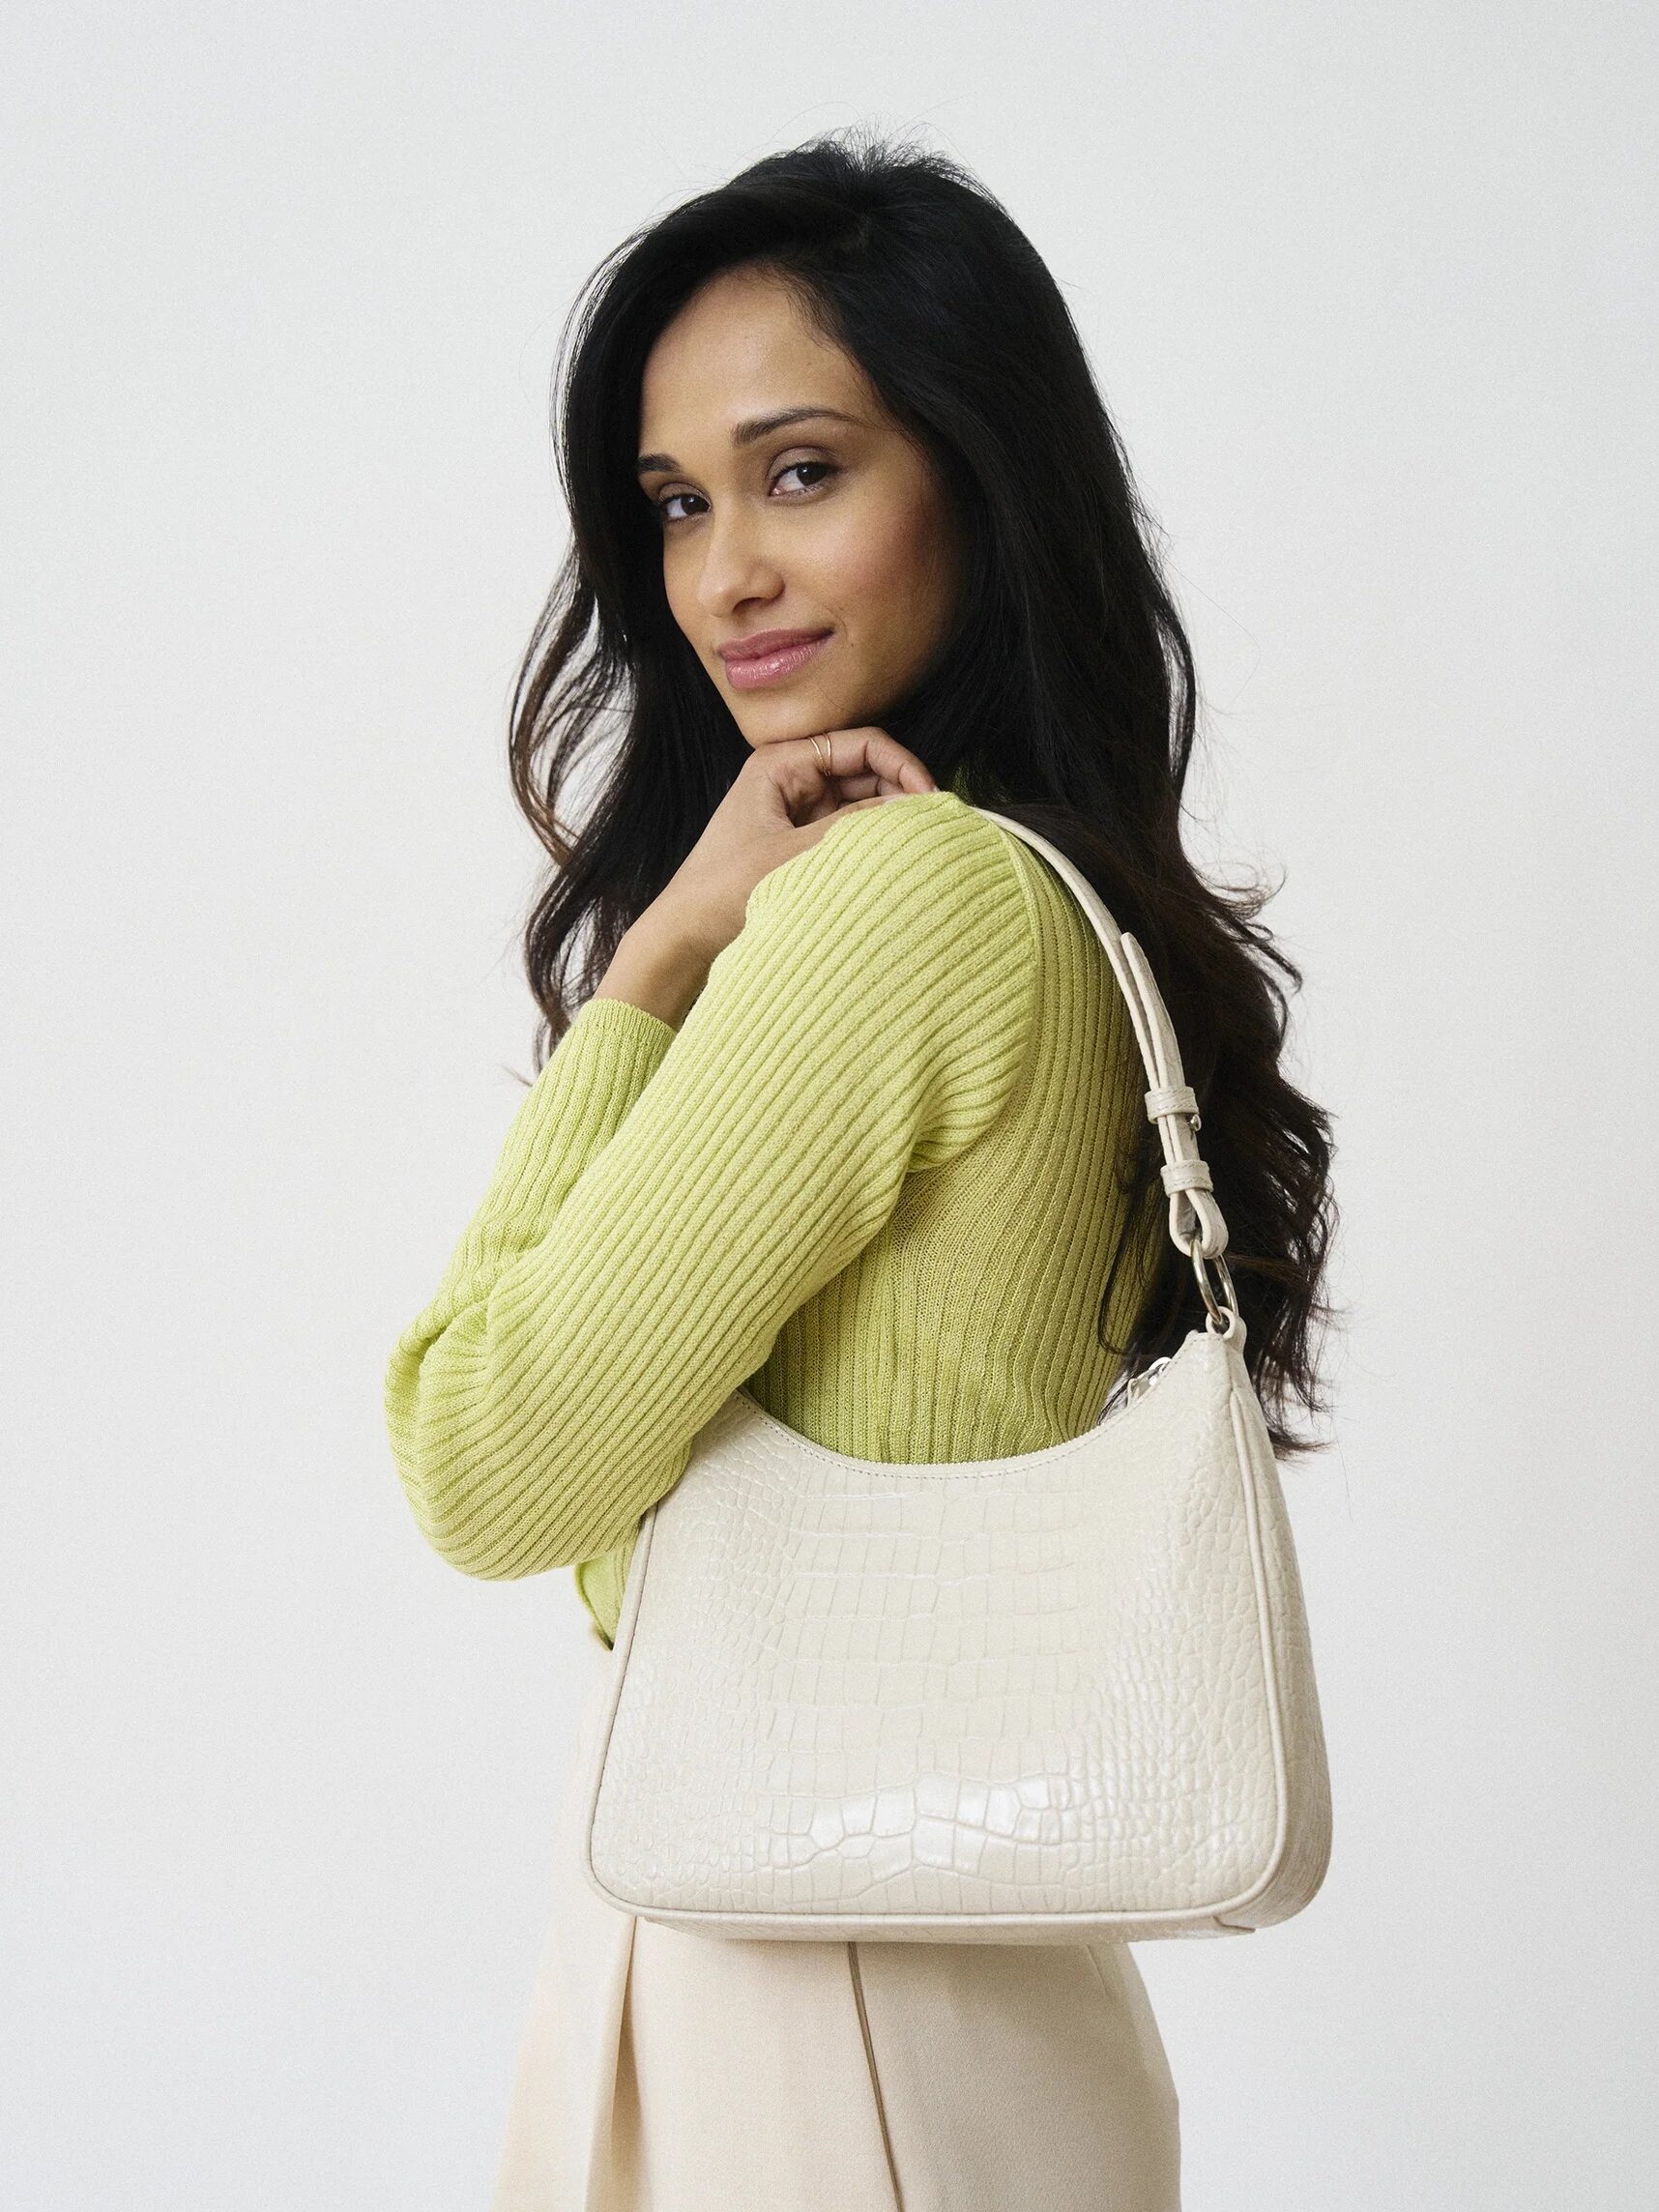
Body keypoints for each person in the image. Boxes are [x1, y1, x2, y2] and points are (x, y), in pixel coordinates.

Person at [384, 126, 1337, 2212]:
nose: (725, 571)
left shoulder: (899, 899)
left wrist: (651, 967)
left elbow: (483, 1449)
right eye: (674, 502)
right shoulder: (1042, 892)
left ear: (980, 486)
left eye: (803, 470)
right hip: (960, 1963)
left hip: (804, 1981)